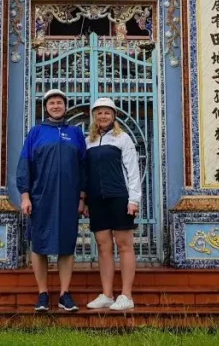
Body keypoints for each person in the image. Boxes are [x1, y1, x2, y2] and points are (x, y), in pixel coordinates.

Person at [16, 88, 87, 313]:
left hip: (69, 198)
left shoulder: (75, 133)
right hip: (41, 197)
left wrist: (82, 197)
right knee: (39, 245)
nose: (56, 106)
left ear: (65, 106)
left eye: (59, 102)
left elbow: (84, 167)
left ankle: (65, 294)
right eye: (52, 103)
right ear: (46, 108)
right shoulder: (36, 133)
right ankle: (43, 293)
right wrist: (25, 196)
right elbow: (24, 165)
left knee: (66, 245)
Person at [83, 97, 142, 312]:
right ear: (94, 116)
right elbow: (86, 173)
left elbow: (132, 171)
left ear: (114, 115)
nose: (103, 116)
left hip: (119, 197)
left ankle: (126, 295)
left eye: (107, 112)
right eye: (99, 113)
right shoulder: (88, 141)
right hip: (97, 199)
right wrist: (86, 200)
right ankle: (107, 294)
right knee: (103, 246)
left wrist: (133, 200)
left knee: (124, 244)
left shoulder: (122, 138)